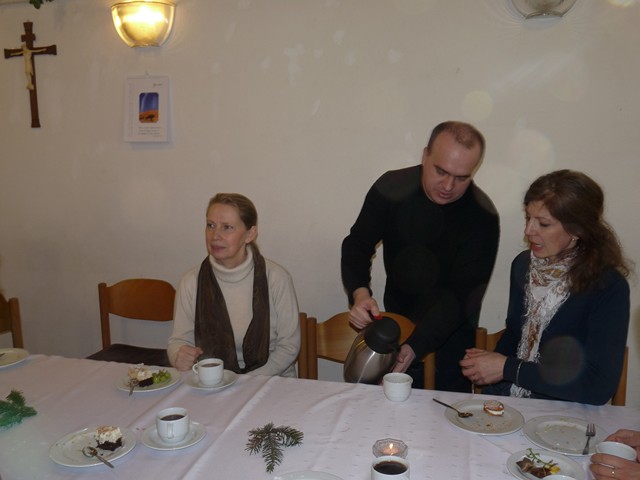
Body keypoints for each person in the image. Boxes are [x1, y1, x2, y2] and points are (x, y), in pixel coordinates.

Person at [341, 121, 500, 392]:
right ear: (425, 156)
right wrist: (360, 294)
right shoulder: (392, 187)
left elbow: (462, 296)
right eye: (441, 171)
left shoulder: (482, 216)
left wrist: (416, 346)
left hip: (451, 334)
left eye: (462, 177)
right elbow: (358, 243)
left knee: (445, 412)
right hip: (397, 323)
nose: (448, 185)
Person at [460, 170, 631, 404]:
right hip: (511, 400)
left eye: (543, 223)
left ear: (577, 230)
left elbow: (598, 387)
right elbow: (514, 334)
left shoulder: (608, 287)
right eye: (528, 218)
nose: (529, 230)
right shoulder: (523, 265)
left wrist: (508, 368)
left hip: (564, 413)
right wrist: (487, 364)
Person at [168, 193, 300, 377]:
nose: (215, 236)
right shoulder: (191, 281)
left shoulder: (277, 278)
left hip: (272, 379)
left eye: (227, 227)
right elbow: (178, 341)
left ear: (250, 234)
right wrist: (178, 355)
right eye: (210, 225)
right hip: (212, 380)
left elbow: (289, 347)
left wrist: (245, 382)